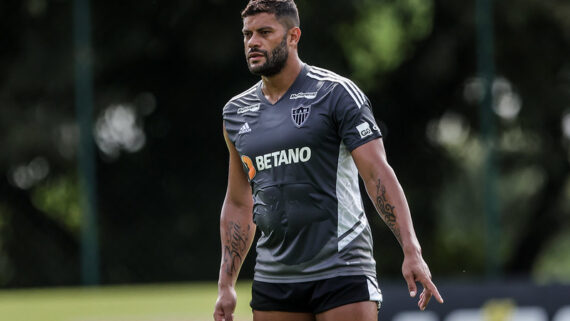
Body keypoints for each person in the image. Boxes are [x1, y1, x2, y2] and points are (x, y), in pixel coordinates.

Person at [214, 1, 443, 320]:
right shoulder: (235, 113)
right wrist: (227, 285)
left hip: (342, 270)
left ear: (293, 36)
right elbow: (239, 203)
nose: (253, 42)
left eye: (265, 32)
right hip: (274, 279)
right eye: (247, 34)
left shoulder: (336, 93)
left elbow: (377, 173)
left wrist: (411, 250)